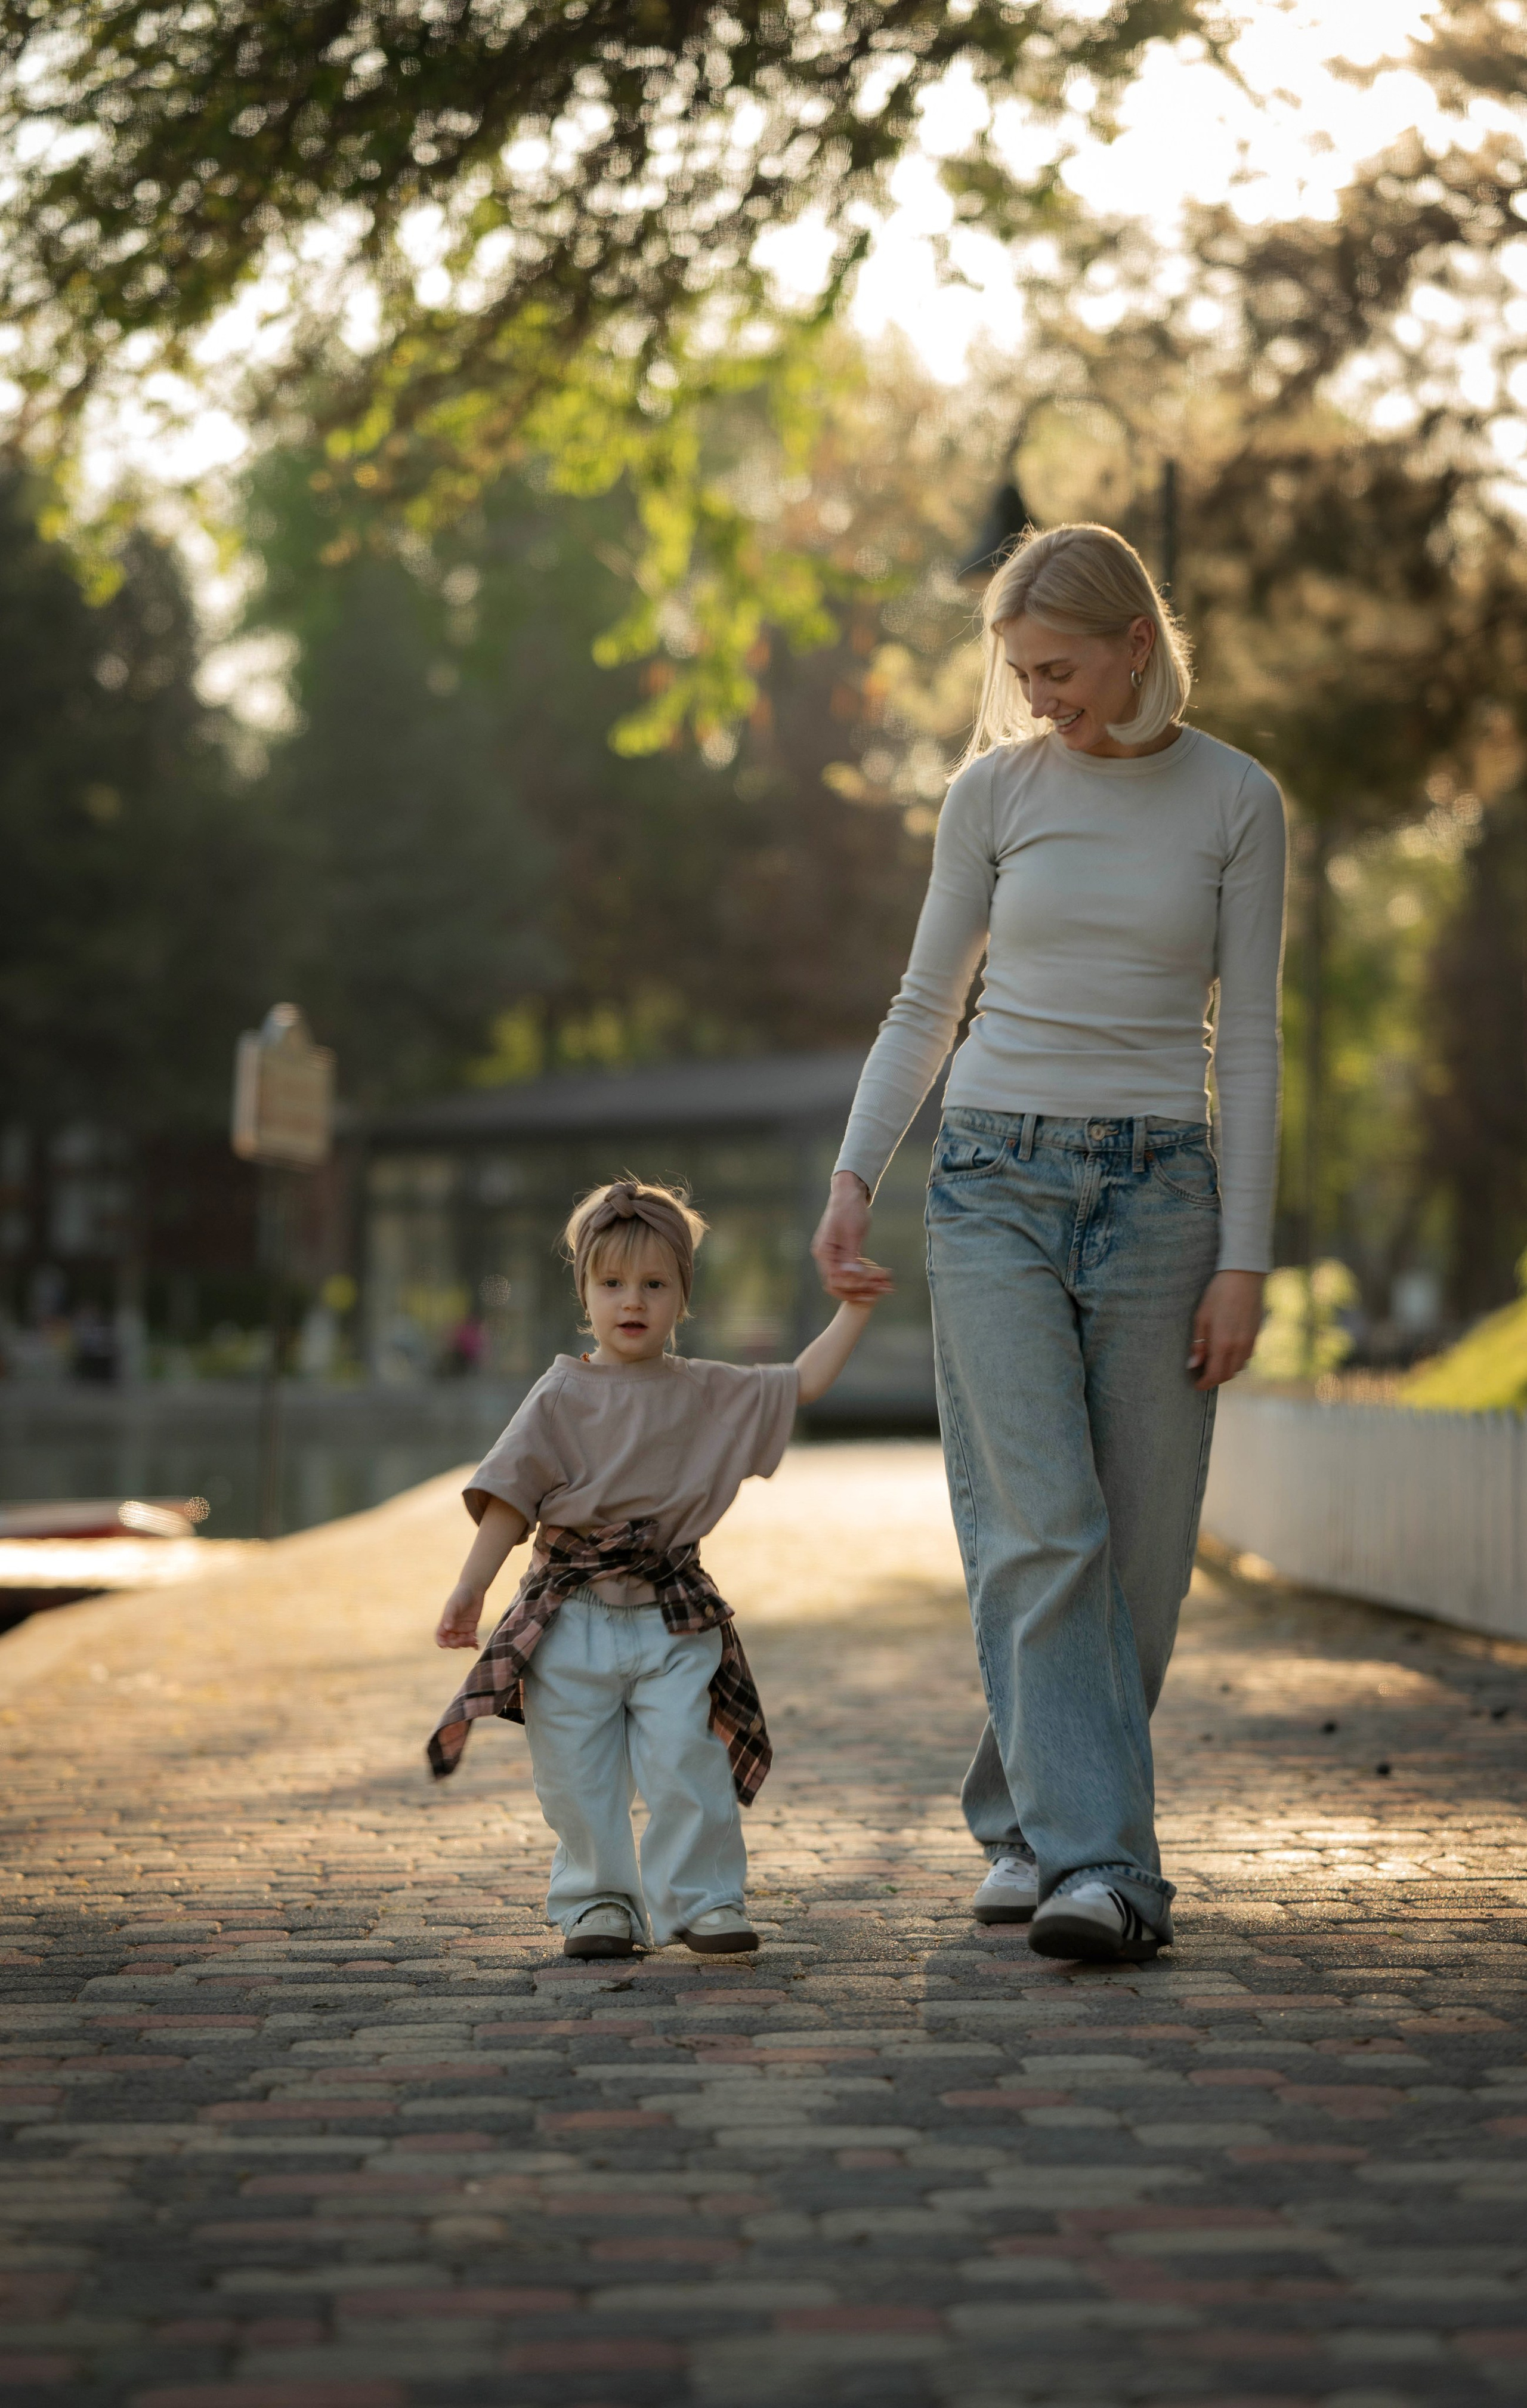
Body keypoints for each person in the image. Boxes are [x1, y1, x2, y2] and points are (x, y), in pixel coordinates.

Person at [812, 522, 1286, 1966]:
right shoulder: (989, 796)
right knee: (1042, 1532)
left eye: (1059, 669)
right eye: (1018, 674)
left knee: (1134, 1560)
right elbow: (921, 1003)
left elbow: (1252, 1041)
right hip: (992, 1182)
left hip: (1161, 1196)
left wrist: (1244, 1255)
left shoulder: (1237, 801)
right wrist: (854, 1174)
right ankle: (1105, 1872)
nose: (1036, 700)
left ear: (1137, 644)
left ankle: (1021, 1812)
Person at [428, 1177, 885, 1960]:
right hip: (569, 1618)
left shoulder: (709, 1390)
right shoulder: (559, 1394)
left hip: (673, 1614)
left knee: (689, 1761)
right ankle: (599, 1903)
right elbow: (510, 1498)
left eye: (653, 1285)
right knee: (575, 1777)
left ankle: (705, 1902)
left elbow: (802, 1382)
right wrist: (471, 1585)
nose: (631, 1301)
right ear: (584, 1294)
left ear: (682, 1299)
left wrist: (856, 1308)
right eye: (611, 1284)